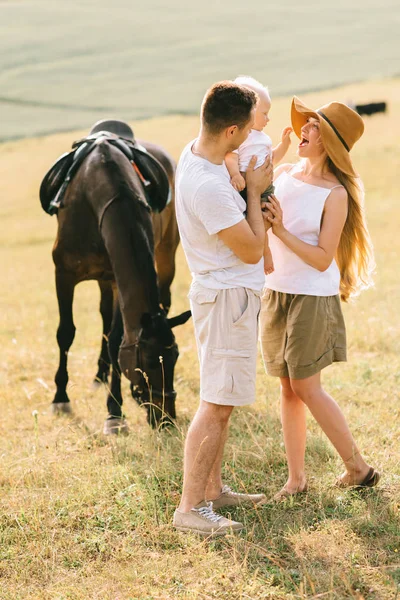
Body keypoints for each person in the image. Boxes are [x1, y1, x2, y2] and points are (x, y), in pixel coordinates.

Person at [260, 96, 379, 501]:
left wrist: (280, 233)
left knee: (307, 387)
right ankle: (296, 480)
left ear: (326, 141)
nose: (302, 132)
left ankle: (358, 468)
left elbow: (322, 257)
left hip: (311, 296)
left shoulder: (335, 195)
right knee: (287, 389)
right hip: (277, 292)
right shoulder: (286, 172)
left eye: (311, 128)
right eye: (306, 125)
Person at [173, 81, 272, 537]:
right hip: (228, 297)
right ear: (232, 130)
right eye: (249, 130)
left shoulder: (197, 153)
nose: (253, 137)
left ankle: (212, 490)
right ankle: (190, 508)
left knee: (223, 401)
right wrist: (254, 192)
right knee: (215, 404)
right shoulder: (209, 186)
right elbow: (252, 251)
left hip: (226, 295)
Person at [225, 76, 292, 275]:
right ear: (250, 112)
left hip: (266, 186)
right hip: (245, 186)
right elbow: (231, 157)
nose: (268, 119)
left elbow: (272, 159)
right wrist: (236, 175)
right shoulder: (240, 135)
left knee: (270, 216)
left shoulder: (263, 138)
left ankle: (263, 247)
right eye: (264, 113)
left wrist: (285, 145)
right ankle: (264, 250)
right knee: (255, 222)